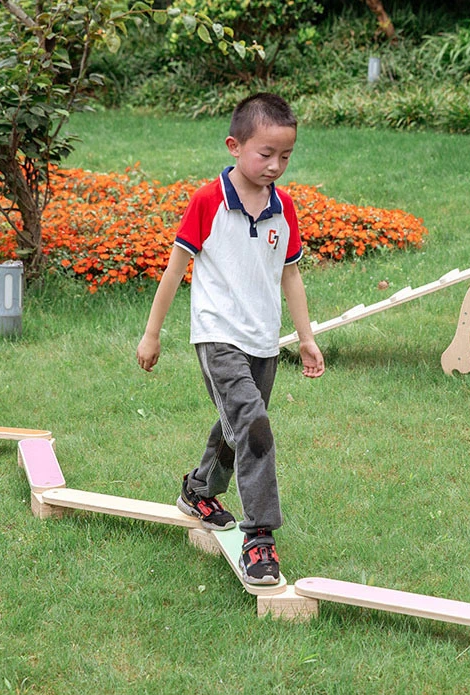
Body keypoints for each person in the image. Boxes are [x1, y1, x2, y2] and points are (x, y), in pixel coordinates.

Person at [136, 93, 325, 585]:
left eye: (286, 156)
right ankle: (259, 538)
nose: (276, 165)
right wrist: (152, 334)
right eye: (266, 154)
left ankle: (198, 490)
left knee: (236, 425)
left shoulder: (284, 208)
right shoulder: (209, 201)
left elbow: (292, 276)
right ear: (234, 146)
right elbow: (175, 271)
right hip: (218, 336)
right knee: (254, 427)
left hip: (264, 341)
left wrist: (304, 338)